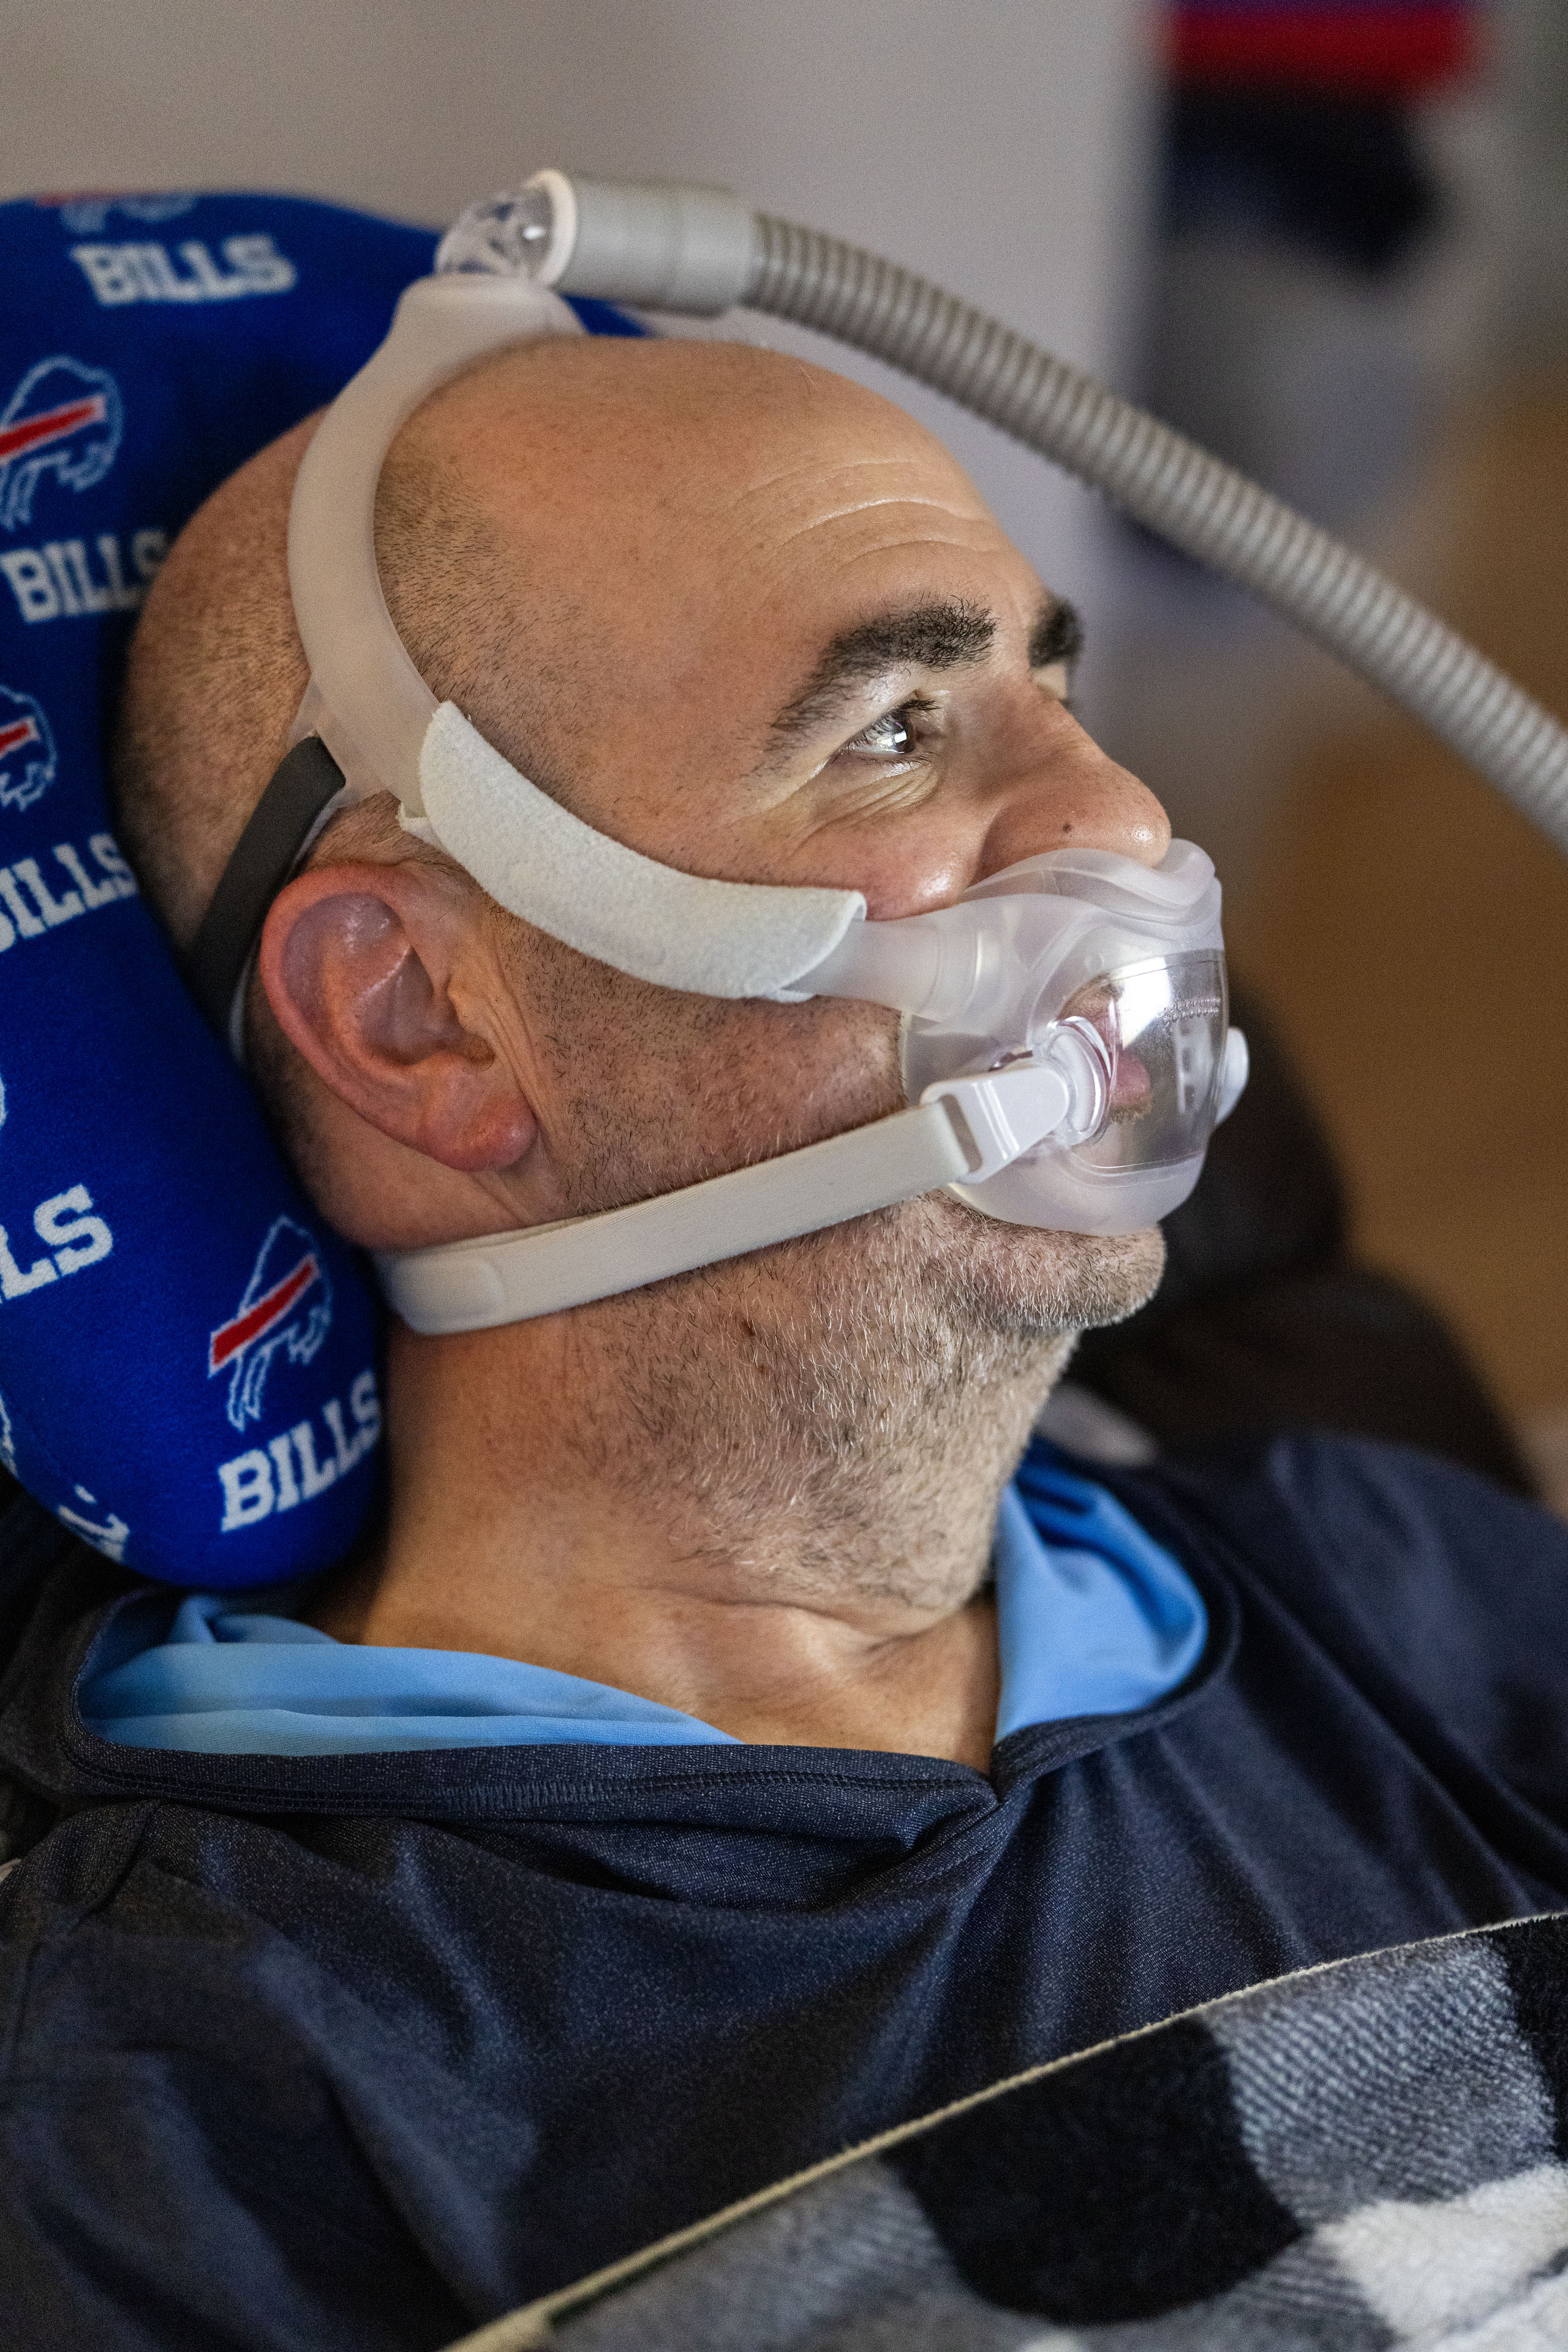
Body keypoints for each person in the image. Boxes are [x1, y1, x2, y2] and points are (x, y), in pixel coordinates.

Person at [2, 333, 1566, 2351]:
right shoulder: (189, 2114)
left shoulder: (1387, 1582)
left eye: (1056, 686)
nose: (1119, 811)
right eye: (899, 729)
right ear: (421, 1022)